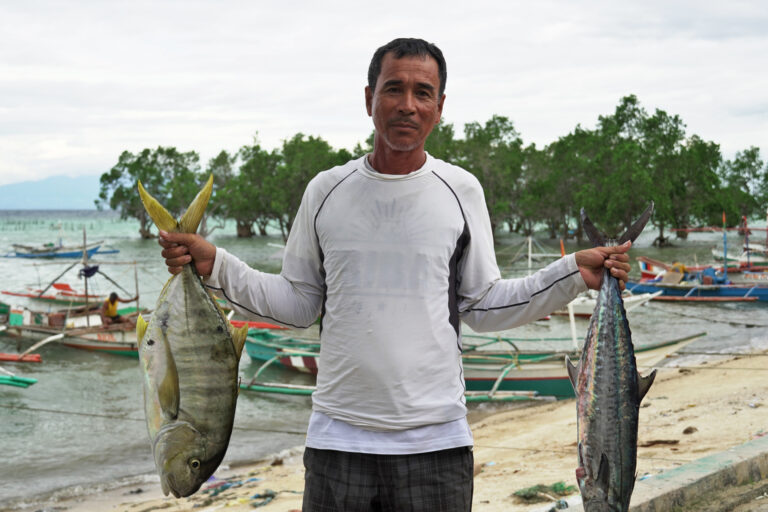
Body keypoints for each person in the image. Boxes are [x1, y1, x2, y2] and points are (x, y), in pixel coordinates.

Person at [158, 38, 632, 512]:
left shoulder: (461, 190)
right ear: (369, 99)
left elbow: (483, 305)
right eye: (394, 89)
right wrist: (215, 264)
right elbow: (299, 302)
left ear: (440, 107)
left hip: (438, 446)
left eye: (423, 92)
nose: (408, 105)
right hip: (337, 442)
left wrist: (572, 272)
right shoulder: (326, 190)